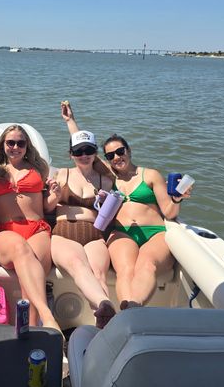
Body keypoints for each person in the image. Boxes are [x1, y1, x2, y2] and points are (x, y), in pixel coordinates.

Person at [63, 103, 193, 309]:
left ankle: (133, 307)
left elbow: (169, 212)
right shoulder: (108, 175)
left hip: (155, 232)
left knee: (147, 265)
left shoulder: (149, 175)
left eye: (120, 151)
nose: (116, 157)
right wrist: (70, 121)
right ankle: (128, 310)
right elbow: (84, 149)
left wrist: (178, 199)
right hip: (122, 232)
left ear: (129, 150)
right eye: (110, 155)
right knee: (126, 270)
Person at [0, 124, 61, 331]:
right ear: (2, 145)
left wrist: (55, 197)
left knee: (31, 283)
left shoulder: (39, 168)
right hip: (6, 232)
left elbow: (46, 206)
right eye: (11, 142)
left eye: (21, 143)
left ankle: (30, 331)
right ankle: (49, 318)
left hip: (37, 229)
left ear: (27, 146)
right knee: (20, 248)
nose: (15, 147)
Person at [47, 102, 116, 328]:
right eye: (78, 152)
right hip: (64, 232)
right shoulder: (61, 174)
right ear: (70, 155)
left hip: (94, 234)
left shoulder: (105, 178)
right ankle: (105, 304)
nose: (84, 155)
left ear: (96, 153)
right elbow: (47, 209)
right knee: (78, 264)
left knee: (99, 274)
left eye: (89, 151)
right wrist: (55, 197)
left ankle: (102, 327)